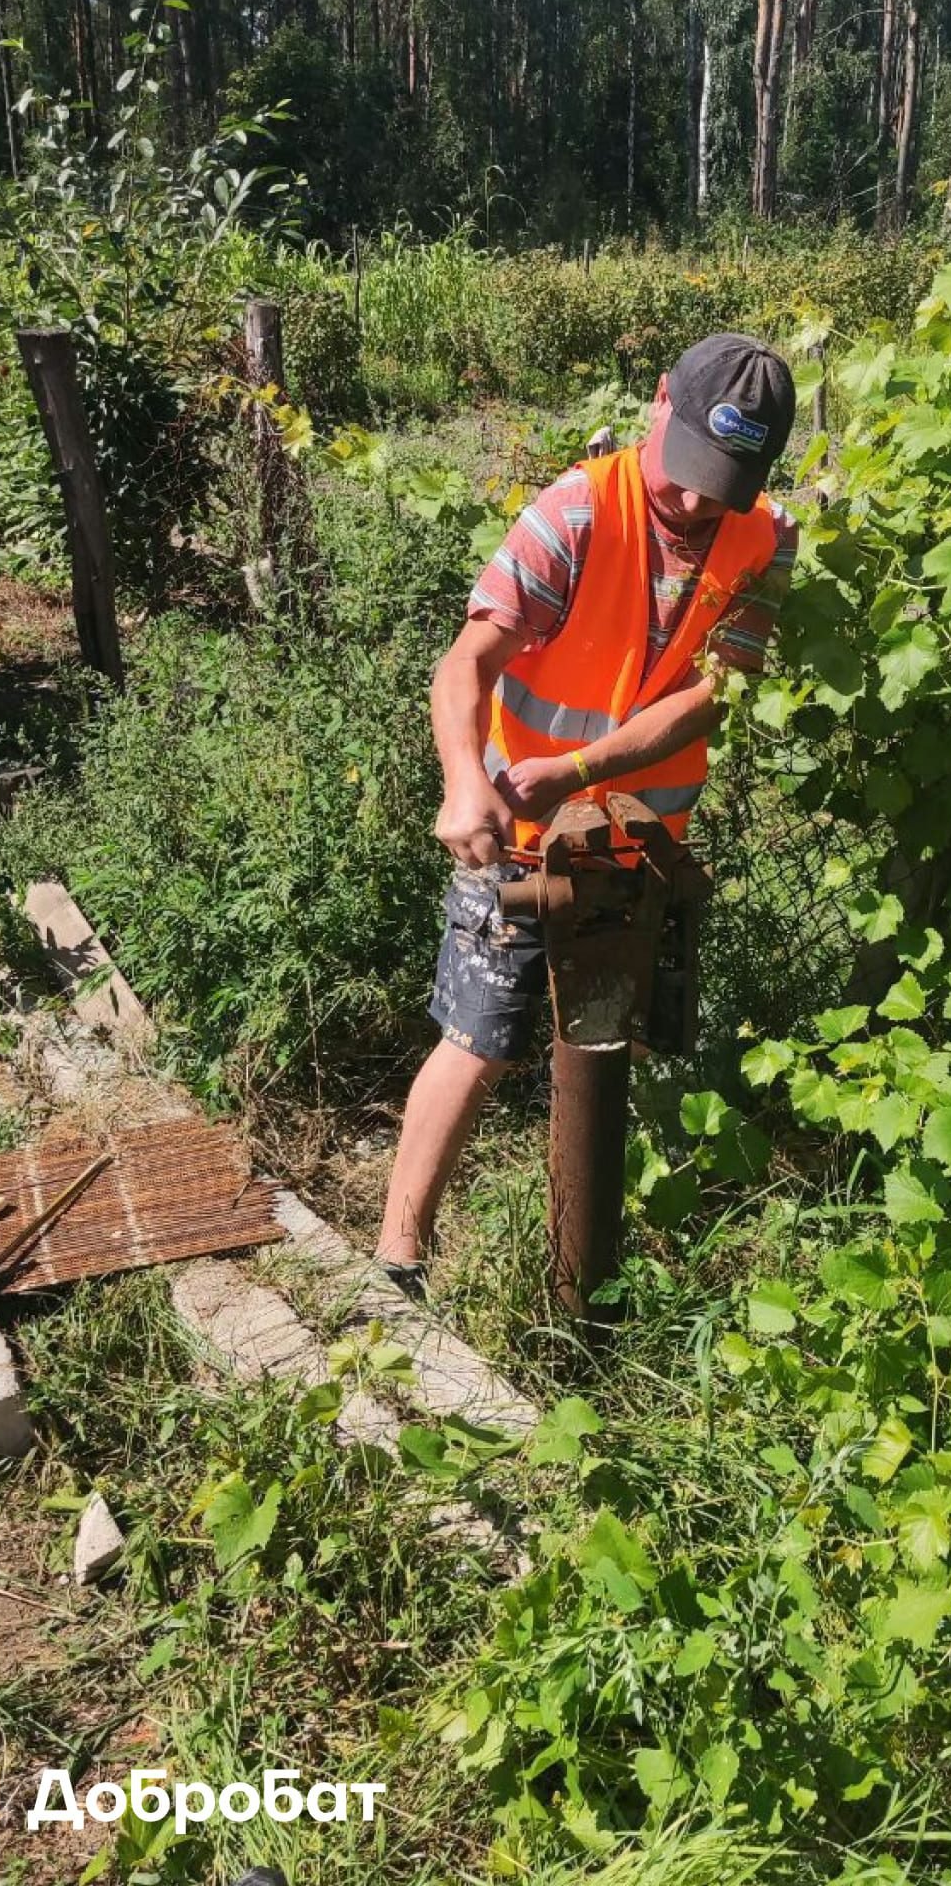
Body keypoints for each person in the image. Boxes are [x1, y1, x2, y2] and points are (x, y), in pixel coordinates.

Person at [373, 333, 799, 1298]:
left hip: (646, 843)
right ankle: (397, 1256)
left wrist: (584, 769)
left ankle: (604, 1240)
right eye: (686, 472)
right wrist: (463, 783)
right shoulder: (573, 513)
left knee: (625, 1033)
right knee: (478, 1039)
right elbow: (465, 665)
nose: (693, 504)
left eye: (721, 484)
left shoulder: (767, 534)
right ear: (660, 403)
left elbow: (720, 689)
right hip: (519, 842)